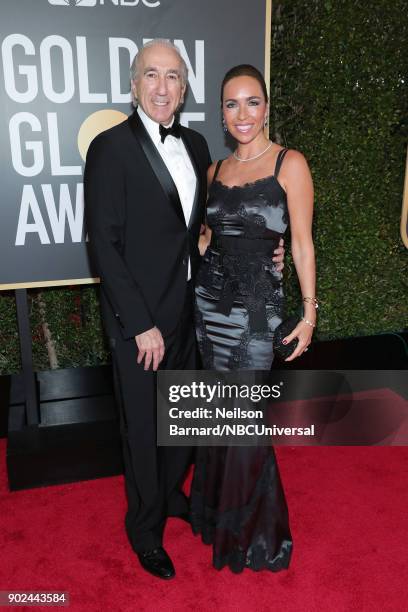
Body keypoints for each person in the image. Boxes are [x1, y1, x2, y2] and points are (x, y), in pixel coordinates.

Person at [85, 41, 285, 580]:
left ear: (184, 88)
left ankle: (171, 492)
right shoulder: (110, 149)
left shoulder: (198, 147)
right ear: (134, 85)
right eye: (152, 75)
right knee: (144, 428)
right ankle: (144, 529)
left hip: (193, 311)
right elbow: (103, 245)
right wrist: (139, 323)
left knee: (182, 419)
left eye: (173, 76)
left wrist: (268, 246)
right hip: (140, 322)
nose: (162, 86)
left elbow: (208, 227)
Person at [191, 64, 316, 573]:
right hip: (210, 306)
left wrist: (309, 314)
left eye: (252, 102)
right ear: (222, 113)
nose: (243, 114)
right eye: (232, 104)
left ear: (266, 106)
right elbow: (205, 235)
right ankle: (218, 515)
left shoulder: (290, 163)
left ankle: (253, 534)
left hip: (258, 315)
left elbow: (303, 244)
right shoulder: (214, 172)